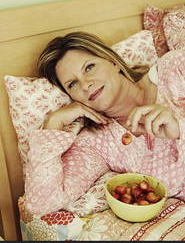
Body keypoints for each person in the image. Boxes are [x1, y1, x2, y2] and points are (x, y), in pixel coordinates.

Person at [25, 31, 185, 214]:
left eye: (89, 67)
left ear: (113, 62)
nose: (85, 85)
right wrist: (54, 122)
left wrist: (179, 128)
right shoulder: (96, 143)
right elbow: (42, 204)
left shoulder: (175, 70)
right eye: (72, 84)